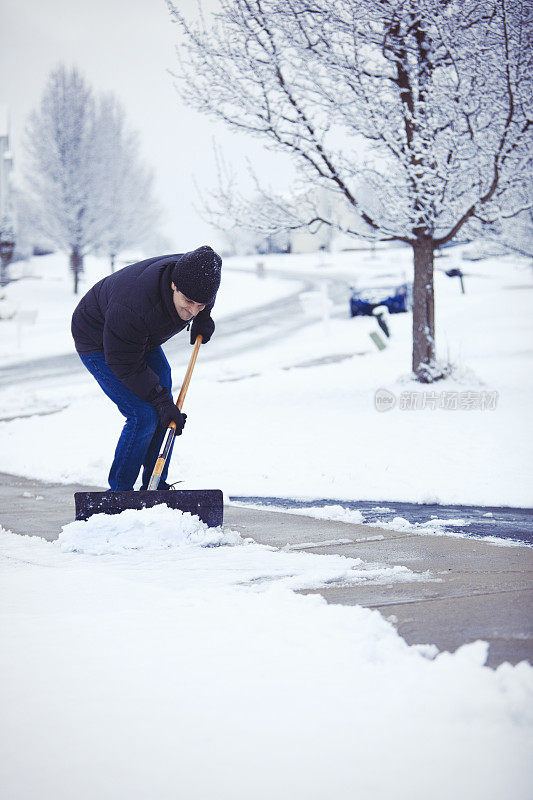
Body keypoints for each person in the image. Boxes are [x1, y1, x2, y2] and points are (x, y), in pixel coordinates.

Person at [71, 245, 222, 491]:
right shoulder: (133, 305)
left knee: (165, 404)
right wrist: (160, 401)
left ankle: (154, 485)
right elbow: (124, 362)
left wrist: (204, 318)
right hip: (100, 339)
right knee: (144, 414)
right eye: (189, 302)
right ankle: (120, 492)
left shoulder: (201, 275)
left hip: (139, 335)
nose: (192, 311)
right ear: (174, 285)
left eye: (200, 305)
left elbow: (205, 296)